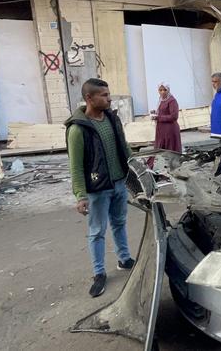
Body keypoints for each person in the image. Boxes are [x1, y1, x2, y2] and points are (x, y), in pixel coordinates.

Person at [65, 78, 134, 298]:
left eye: (108, 94)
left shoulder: (112, 119)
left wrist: (136, 169)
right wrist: (80, 195)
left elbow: (124, 147)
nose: (109, 99)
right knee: (97, 231)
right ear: (89, 98)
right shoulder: (78, 129)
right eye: (104, 95)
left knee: (119, 222)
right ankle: (99, 273)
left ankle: (124, 259)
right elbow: (75, 166)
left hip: (119, 183)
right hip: (98, 189)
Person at [150, 83, 181, 152]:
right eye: (160, 90)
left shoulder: (172, 101)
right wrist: (155, 113)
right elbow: (163, 112)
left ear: (168, 90)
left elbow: (174, 116)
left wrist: (158, 117)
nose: (162, 92)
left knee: (170, 151)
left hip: (169, 130)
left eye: (165, 90)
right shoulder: (161, 100)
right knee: (161, 152)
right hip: (161, 130)